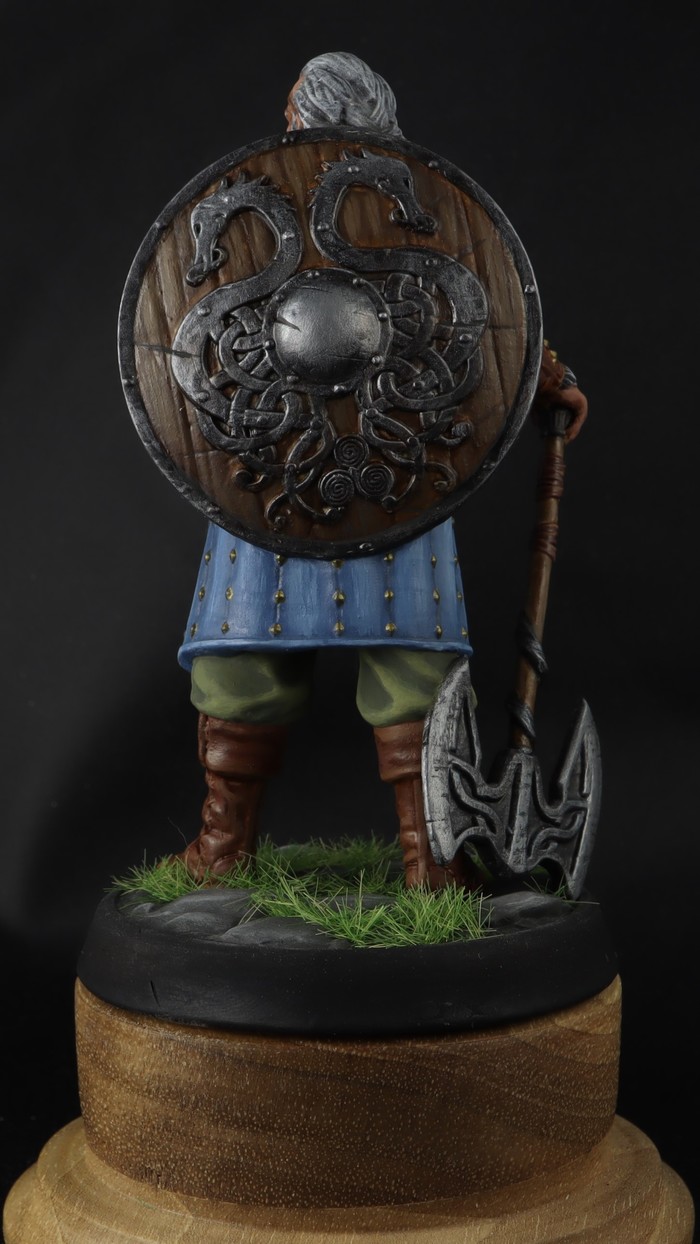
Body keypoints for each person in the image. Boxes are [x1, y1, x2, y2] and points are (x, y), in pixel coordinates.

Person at [174, 52, 588, 889]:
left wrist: (546, 375)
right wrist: (551, 379)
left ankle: (426, 855)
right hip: (273, 464)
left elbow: (484, 307)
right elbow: (200, 321)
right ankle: (229, 849)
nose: (293, 124)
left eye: (298, 111)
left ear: (309, 115)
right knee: (242, 657)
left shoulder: (413, 209)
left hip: (395, 462)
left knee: (413, 670)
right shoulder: (267, 207)